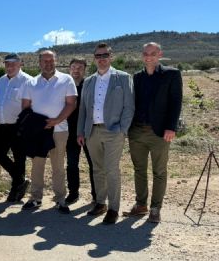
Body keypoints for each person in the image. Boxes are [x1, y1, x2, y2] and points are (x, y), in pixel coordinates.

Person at [123, 42, 183, 224]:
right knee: (139, 169)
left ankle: (155, 208)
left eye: (153, 53)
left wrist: (171, 127)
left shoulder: (172, 74)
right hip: (137, 131)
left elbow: (176, 102)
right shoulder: (136, 77)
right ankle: (141, 205)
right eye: (145, 53)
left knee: (159, 171)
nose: (149, 56)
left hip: (160, 132)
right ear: (142, 55)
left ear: (160, 54)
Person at [77, 44, 134, 224]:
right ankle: (100, 203)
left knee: (111, 169)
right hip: (92, 131)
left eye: (105, 55)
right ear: (94, 58)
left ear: (111, 57)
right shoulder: (88, 81)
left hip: (114, 131)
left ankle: (114, 208)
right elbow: (83, 110)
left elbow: (129, 106)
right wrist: (81, 131)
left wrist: (122, 129)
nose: (101, 58)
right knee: (97, 169)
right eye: (98, 55)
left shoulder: (123, 78)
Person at [21, 50, 77, 213]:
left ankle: (60, 199)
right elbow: (26, 106)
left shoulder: (66, 80)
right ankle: (36, 198)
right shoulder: (31, 83)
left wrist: (56, 120)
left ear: (56, 61)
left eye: (51, 60)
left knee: (58, 166)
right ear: (39, 63)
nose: (48, 63)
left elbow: (71, 104)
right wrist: (37, 124)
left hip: (59, 130)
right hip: (38, 132)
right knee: (37, 165)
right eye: (45, 61)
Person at [0, 53, 33, 202]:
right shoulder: (2, 80)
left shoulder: (28, 81)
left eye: (13, 64)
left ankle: (16, 190)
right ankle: (20, 179)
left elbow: (31, 105)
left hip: (18, 127)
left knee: (19, 159)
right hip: (2, 125)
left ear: (20, 64)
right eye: (7, 64)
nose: (10, 67)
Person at [66, 58, 96, 205]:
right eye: (73, 67)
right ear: (69, 69)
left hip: (89, 132)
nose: (76, 70)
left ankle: (97, 196)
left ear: (85, 69)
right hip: (70, 132)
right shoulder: (65, 87)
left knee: (93, 164)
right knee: (72, 164)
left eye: (80, 67)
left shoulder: (90, 86)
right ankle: (73, 193)